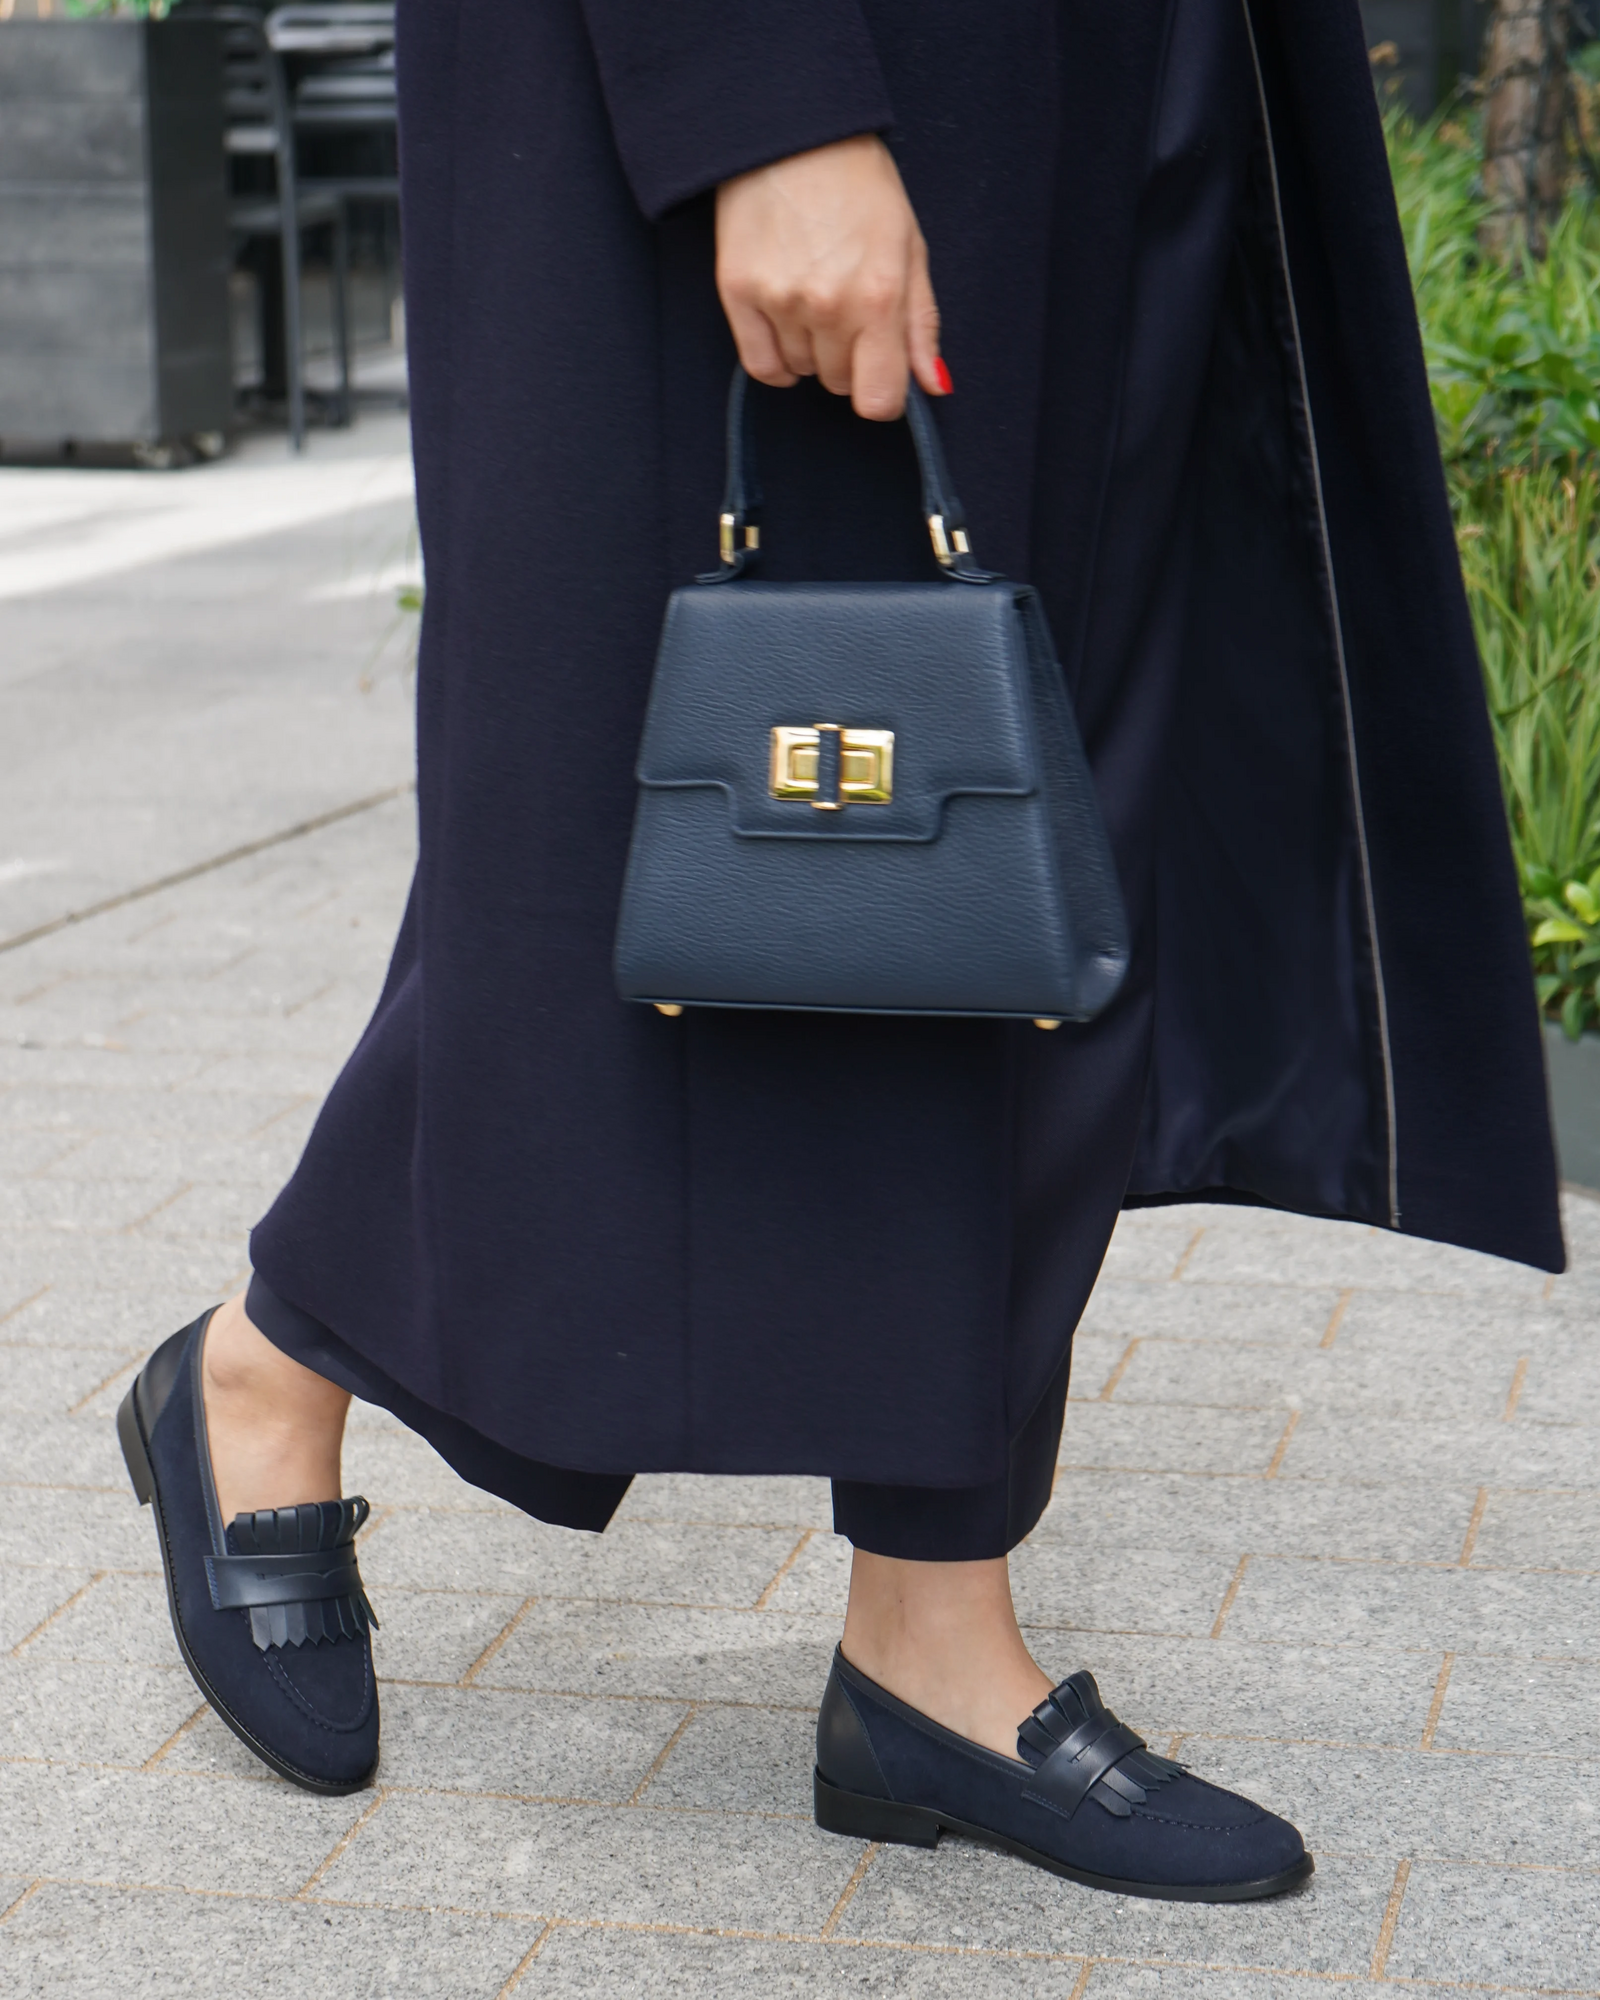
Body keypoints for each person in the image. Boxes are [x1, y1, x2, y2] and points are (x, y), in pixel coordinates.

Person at [116, 0, 1561, 1903]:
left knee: (1008, 849)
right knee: (692, 830)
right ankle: (272, 1359)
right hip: (810, 66)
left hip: (1109, 64)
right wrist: (756, 97)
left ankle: (932, 1636)